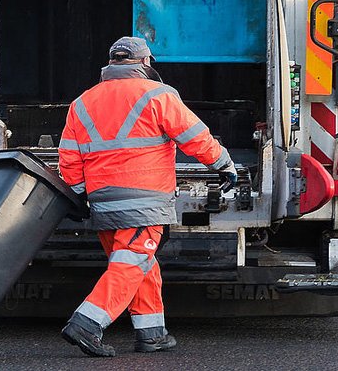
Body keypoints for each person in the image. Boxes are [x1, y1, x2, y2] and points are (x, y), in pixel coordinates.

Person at [58, 36, 238, 357]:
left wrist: (75, 194)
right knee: (130, 265)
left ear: (111, 64)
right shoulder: (158, 95)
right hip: (144, 201)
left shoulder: (82, 102)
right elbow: (194, 136)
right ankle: (87, 324)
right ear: (144, 63)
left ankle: (152, 334)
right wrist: (223, 164)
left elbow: (69, 157)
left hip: (103, 203)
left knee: (139, 263)